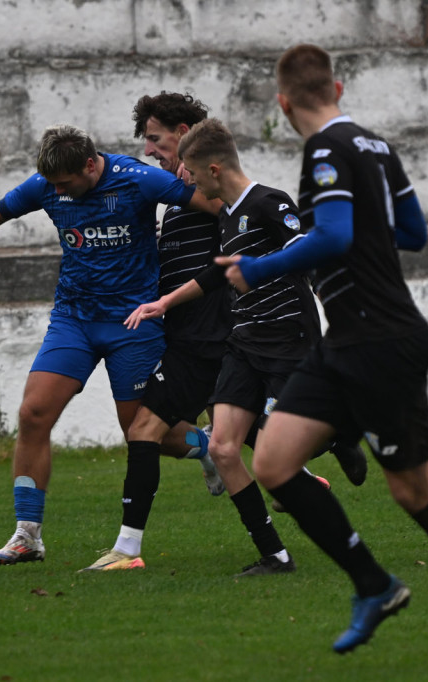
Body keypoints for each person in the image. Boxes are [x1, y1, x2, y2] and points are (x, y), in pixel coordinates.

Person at [216, 43, 428, 667]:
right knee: (274, 460)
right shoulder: (377, 147)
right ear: (340, 87)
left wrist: (259, 266)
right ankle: (374, 585)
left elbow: (333, 234)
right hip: (351, 339)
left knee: (418, 492)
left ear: (283, 104)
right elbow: (412, 233)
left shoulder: (327, 149)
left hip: (379, 340)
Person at [0, 123, 220, 566]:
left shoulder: (138, 179)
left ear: (90, 164)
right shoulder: (49, 184)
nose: (57, 190)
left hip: (133, 323)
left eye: (65, 183)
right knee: (33, 414)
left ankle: (210, 448)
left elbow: (217, 203)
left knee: (144, 433)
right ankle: (27, 535)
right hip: (74, 321)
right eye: (52, 184)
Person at [123, 116, 352, 577]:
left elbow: (312, 254)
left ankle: (342, 426)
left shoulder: (270, 202)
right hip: (243, 343)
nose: (181, 180)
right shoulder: (226, 215)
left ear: (211, 170)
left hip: (289, 340)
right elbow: (217, 273)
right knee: (224, 449)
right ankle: (275, 554)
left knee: (274, 459)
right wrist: (165, 301)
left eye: (187, 170)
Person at [81, 92, 233, 572]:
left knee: (261, 441)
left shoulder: (220, 196)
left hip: (221, 343)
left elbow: (253, 251)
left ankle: (335, 443)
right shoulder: (177, 197)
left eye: (154, 139)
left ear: (184, 134)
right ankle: (128, 550)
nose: (148, 150)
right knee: (149, 432)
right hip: (187, 341)